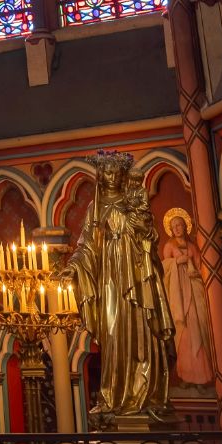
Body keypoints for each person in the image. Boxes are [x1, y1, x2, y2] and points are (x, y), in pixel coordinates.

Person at [66, 153, 174, 419]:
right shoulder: (96, 207)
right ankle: (114, 397)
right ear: (100, 176)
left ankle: (147, 395)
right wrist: (74, 265)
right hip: (110, 282)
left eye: (116, 173)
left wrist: (143, 230)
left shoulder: (134, 202)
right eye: (107, 173)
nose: (111, 177)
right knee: (113, 336)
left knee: (142, 333)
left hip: (137, 279)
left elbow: (151, 236)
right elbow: (87, 245)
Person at [160, 206, 214, 386]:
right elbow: (163, 268)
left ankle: (202, 376)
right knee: (183, 332)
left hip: (193, 288)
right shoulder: (169, 246)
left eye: (179, 225)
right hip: (178, 294)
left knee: (197, 328)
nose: (177, 228)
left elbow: (200, 267)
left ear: (185, 227)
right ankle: (185, 375)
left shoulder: (191, 246)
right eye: (174, 225)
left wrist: (193, 269)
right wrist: (176, 262)